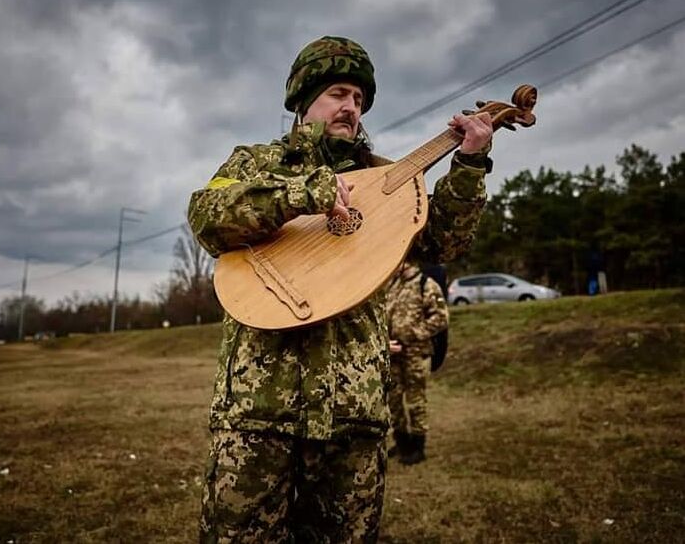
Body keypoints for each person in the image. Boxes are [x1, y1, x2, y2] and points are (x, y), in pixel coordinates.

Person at [188, 35, 492, 543]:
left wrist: (469, 165)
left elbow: (443, 242)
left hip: (355, 418)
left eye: (359, 99)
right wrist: (304, 194)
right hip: (258, 415)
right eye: (339, 93)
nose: (351, 107)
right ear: (303, 100)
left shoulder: (384, 178)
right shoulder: (252, 164)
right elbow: (206, 216)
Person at [386, 259, 450, 465]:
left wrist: (413, 334)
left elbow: (441, 318)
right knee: (394, 400)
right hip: (394, 353)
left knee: (415, 401)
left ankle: (417, 447)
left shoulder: (426, 284)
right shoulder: (393, 285)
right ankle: (402, 442)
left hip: (415, 353)